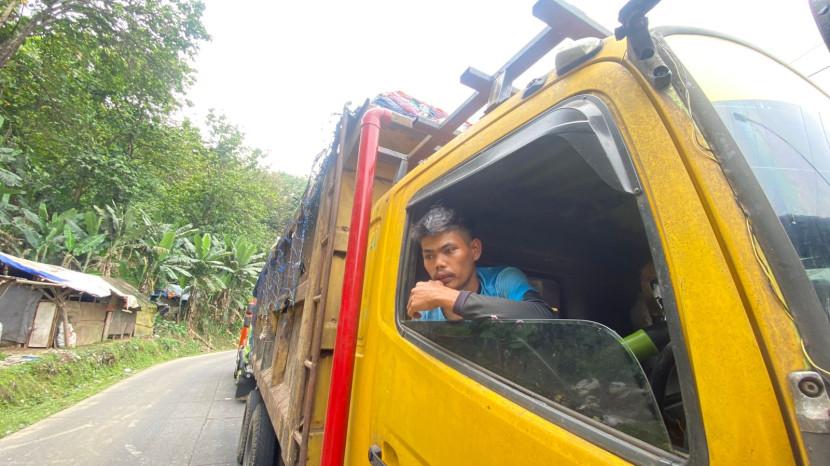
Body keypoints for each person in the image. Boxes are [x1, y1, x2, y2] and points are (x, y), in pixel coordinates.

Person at [407, 205, 556, 321]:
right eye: (429, 256)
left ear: (474, 250)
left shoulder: (501, 281)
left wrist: (450, 298)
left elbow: (542, 315)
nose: (438, 263)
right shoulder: (426, 309)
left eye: (449, 250)